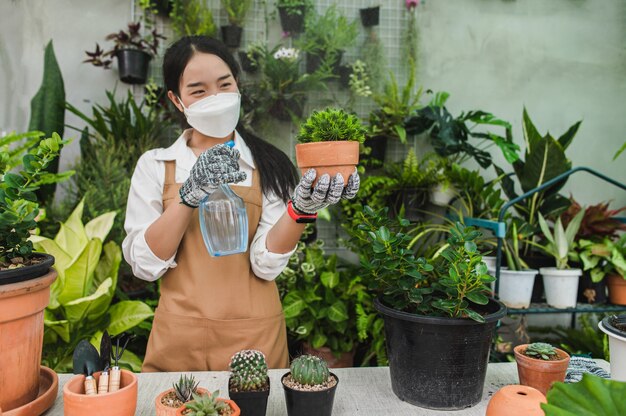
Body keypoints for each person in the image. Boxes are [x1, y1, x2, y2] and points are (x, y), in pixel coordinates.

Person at [122, 36, 360, 372]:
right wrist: (188, 195)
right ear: (177, 99)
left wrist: (301, 210)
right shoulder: (157, 166)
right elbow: (145, 266)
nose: (215, 99)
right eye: (199, 91)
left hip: (255, 341)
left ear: (238, 85)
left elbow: (266, 265)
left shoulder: (268, 166)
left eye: (224, 84)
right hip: (179, 341)